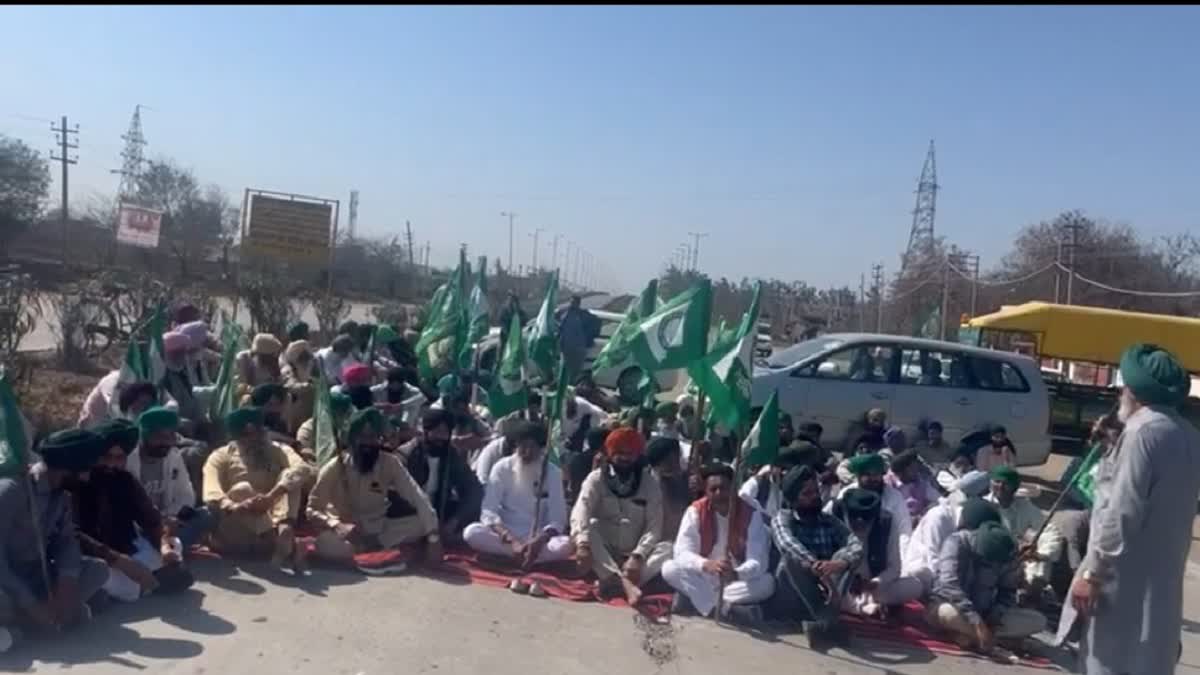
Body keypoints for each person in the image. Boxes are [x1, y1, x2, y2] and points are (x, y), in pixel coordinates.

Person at [1060, 343, 1200, 675]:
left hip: (1120, 579)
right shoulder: (1189, 435)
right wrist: (1112, 445)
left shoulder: (1142, 433)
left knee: (1107, 661)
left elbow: (1121, 508)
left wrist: (1092, 573)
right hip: (1162, 579)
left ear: (1132, 390)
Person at [0, 430, 111, 651]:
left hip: (36, 576)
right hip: (6, 582)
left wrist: (66, 583)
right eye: (83, 471)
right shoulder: (11, 491)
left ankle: (34, 621)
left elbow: (66, 542)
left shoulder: (62, 495)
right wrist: (30, 603)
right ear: (65, 467)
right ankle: (33, 620)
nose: (87, 478)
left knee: (98, 570)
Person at [307, 409, 441, 575]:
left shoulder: (389, 463)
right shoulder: (335, 466)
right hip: (346, 531)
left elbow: (417, 496)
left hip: (379, 529)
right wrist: (337, 525)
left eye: (373, 437)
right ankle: (374, 555)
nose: (368, 443)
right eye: (362, 437)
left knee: (422, 523)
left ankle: (372, 550)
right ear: (352, 439)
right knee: (326, 544)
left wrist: (433, 537)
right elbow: (312, 508)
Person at [74, 419, 195, 603]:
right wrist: (118, 560)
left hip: (130, 548)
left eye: (119, 458)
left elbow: (151, 520)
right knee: (106, 577)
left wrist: (163, 544)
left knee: (176, 561)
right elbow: (75, 536)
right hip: (98, 556)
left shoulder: (125, 480)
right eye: (107, 457)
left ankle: (136, 587)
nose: (112, 464)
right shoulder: (78, 486)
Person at [202, 407, 313, 573]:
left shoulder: (278, 450)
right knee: (242, 489)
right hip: (234, 528)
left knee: (290, 476)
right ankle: (284, 545)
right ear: (236, 437)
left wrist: (272, 496)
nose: (252, 438)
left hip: (272, 518)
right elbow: (211, 492)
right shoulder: (220, 456)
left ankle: (284, 528)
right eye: (246, 435)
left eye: (256, 433)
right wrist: (235, 505)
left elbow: (302, 468)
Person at [463, 421, 573, 590]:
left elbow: (558, 519)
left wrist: (538, 542)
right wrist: (511, 540)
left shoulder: (552, 473)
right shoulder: (502, 467)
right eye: (523, 447)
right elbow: (488, 512)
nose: (527, 453)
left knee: (566, 545)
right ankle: (523, 557)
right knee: (471, 533)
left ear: (542, 449)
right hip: (506, 534)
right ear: (516, 446)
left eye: (532, 447)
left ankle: (517, 557)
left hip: (538, 537)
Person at [664, 464, 774, 624]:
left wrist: (736, 573)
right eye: (713, 489)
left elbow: (758, 561)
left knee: (767, 583)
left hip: (735, 578)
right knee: (669, 568)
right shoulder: (695, 511)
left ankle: (695, 599)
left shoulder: (751, 514)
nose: (719, 494)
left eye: (724, 488)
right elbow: (681, 553)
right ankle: (726, 610)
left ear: (733, 489)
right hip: (704, 575)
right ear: (706, 491)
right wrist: (706, 564)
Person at [768, 465, 863, 650]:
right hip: (793, 596)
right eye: (807, 493)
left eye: (816, 491)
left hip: (826, 594)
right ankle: (829, 624)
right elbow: (788, 544)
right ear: (794, 499)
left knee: (846, 556)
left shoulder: (828, 520)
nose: (815, 496)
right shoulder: (783, 517)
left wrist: (840, 563)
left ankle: (820, 624)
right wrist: (820, 572)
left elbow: (856, 545)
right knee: (791, 559)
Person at [570, 428, 669, 606]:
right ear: (610, 454)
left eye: (630, 454)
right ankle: (624, 583)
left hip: (635, 555)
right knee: (587, 528)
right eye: (619, 453)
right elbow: (580, 512)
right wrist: (583, 545)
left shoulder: (650, 483)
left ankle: (611, 581)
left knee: (669, 548)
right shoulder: (596, 479)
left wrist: (637, 557)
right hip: (605, 551)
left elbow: (654, 527)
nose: (625, 458)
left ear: (638, 456)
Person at [926, 521, 1046, 655]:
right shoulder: (956, 542)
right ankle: (996, 640)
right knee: (947, 612)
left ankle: (971, 638)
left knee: (1038, 621)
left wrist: (994, 618)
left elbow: (1007, 593)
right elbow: (949, 585)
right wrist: (976, 622)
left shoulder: (1005, 553)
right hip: (953, 608)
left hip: (985, 615)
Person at [124, 409, 217, 552]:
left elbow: (186, 495)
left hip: (169, 521)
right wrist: (158, 522)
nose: (165, 442)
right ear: (144, 436)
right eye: (159, 436)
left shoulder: (173, 456)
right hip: (140, 525)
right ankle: (169, 549)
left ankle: (164, 549)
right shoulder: (128, 461)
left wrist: (169, 517)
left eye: (170, 436)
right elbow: (127, 506)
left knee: (208, 514)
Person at [829, 487, 923, 618]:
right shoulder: (832, 516)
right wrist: (848, 581)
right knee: (829, 590)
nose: (860, 522)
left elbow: (894, 568)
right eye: (855, 517)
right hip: (837, 580)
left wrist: (876, 582)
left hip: (872, 585)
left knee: (915, 586)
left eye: (865, 518)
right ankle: (862, 606)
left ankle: (861, 603)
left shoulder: (887, 523)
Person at [901, 472, 997, 592]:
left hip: (950, 574)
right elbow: (933, 558)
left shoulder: (963, 526)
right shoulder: (939, 517)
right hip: (923, 574)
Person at [400, 408, 484, 544]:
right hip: (411, 515)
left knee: (477, 513)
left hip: (440, 512)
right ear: (426, 432)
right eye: (437, 432)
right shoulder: (406, 455)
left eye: (445, 433)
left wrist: (455, 521)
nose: (441, 437)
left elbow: (474, 489)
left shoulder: (451, 455)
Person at [985, 466, 1063, 600]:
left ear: (1015, 487)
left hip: (1015, 559)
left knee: (1041, 563)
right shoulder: (984, 505)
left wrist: (1039, 555)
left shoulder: (1023, 505)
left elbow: (1049, 531)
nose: (1001, 487)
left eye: (1006, 483)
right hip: (989, 559)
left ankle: (1030, 598)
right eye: (997, 481)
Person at [830, 453, 913, 552]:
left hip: (887, 556)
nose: (873, 479)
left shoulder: (894, 497)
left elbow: (904, 531)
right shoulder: (847, 493)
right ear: (859, 476)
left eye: (876, 474)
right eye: (868, 475)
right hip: (852, 556)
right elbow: (828, 516)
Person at [738, 448, 817, 521]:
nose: (785, 473)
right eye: (782, 469)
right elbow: (742, 498)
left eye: (789, 470)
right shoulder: (758, 483)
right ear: (772, 467)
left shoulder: (794, 488)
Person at [645, 437, 690, 543]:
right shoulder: (646, 483)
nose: (674, 465)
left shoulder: (688, 479)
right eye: (668, 462)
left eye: (676, 459)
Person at [159, 331, 206, 431]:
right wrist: (179, 422)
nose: (182, 356)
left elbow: (193, 398)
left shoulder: (184, 371)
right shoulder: (161, 377)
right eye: (177, 353)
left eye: (184, 352)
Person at [885, 450, 941, 525]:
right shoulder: (888, 485)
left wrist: (927, 510)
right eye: (911, 468)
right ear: (900, 472)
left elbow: (939, 500)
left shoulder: (920, 483)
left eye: (915, 466)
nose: (916, 470)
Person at [557, 296, 600, 382]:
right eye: (571, 302)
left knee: (573, 373)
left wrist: (588, 340)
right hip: (567, 348)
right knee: (564, 372)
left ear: (578, 303)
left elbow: (597, 322)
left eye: (574, 302)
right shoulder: (564, 313)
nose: (572, 304)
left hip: (578, 349)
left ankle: (569, 388)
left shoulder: (584, 315)